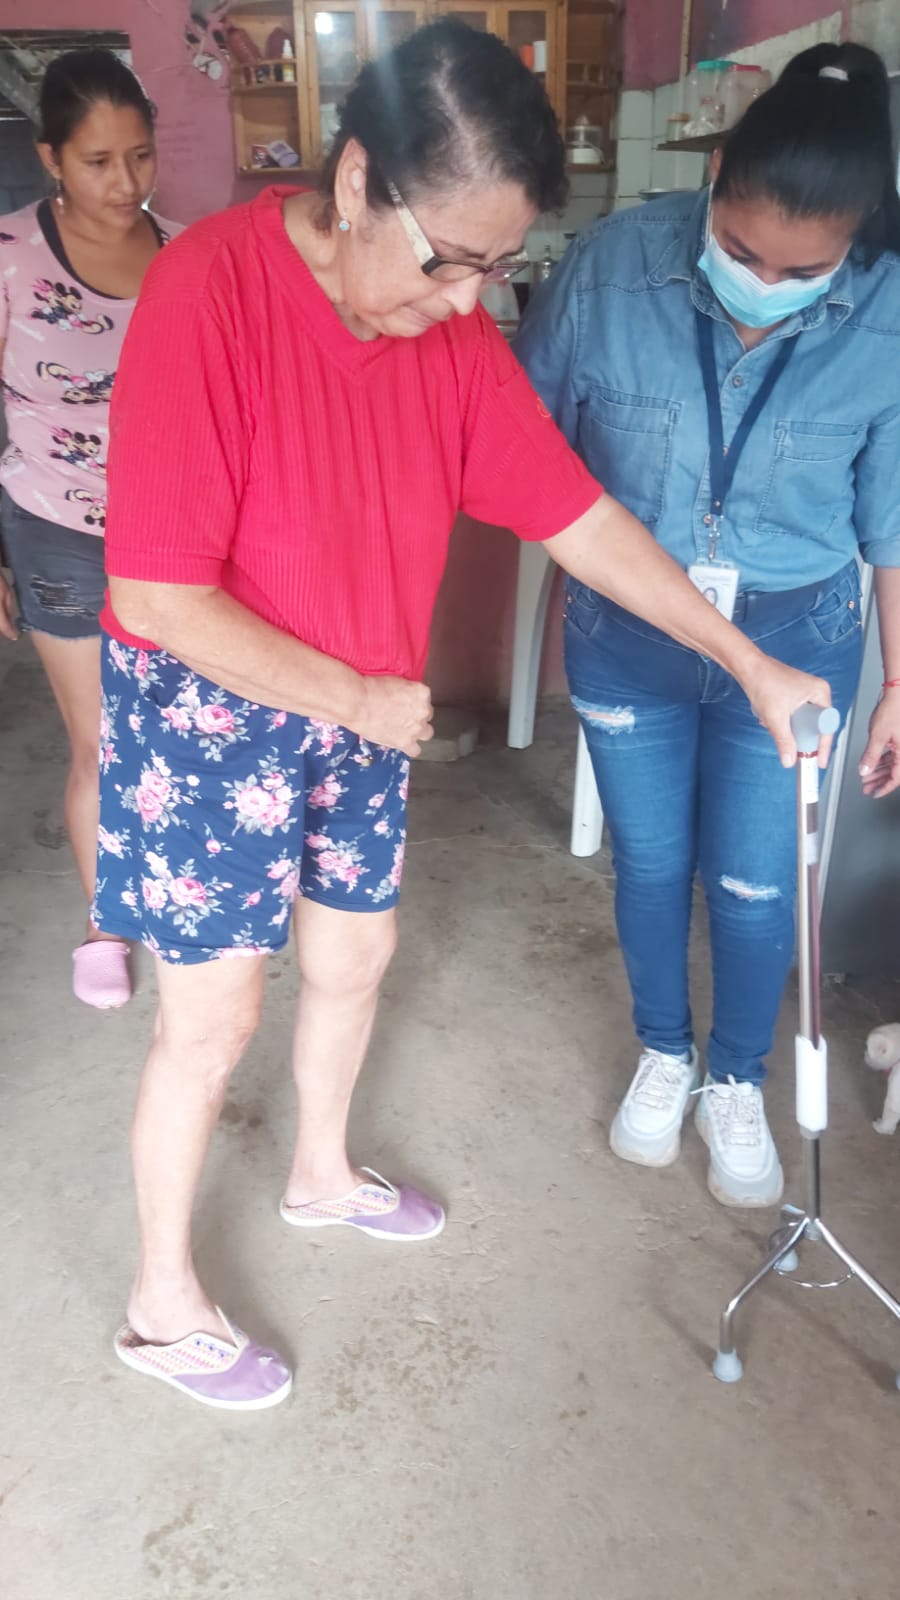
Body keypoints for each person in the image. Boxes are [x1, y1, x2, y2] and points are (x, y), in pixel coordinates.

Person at [95, 21, 829, 1410]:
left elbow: (579, 515)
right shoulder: (211, 290)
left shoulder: (450, 335)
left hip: (362, 709)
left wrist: (746, 660)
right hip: (214, 714)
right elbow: (158, 594)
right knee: (214, 1016)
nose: (465, 302)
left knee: (356, 954)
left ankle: (320, 1172)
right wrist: (359, 697)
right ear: (356, 181)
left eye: (495, 268)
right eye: (449, 260)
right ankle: (159, 1303)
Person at [515, 42, 900, 1211]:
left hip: (799, 644)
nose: (764, 284)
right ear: (716, 173)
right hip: (629, 630)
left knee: (753, 884)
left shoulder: (889, 314)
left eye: (804, 271)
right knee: (650, 863)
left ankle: (735, 1075)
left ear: (856, 239)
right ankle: (665, 1050)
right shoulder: (612, 267)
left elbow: (891, 520)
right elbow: (528, 449)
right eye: (739, 251)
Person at [0, 49, 181, 1009]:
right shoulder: (9, 255)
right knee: (100, 741)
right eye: (99, 161)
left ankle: (182, 886)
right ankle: (106, 921)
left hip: (177, 536)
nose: (125, 182)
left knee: (178, 728)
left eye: (140, 155)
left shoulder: (187, 256)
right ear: (52, 159)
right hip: (57, 526)